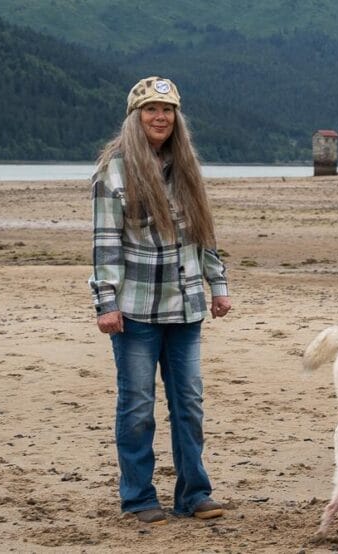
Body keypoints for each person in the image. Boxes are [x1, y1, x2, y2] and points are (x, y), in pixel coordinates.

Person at [89, 76, 231, 525]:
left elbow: (202, 234)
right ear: (135, 117)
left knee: (188, 404)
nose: (160, 117)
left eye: (167, 111)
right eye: (150, 110)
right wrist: (105, 302)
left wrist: (218, 284)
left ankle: (194, 494)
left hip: (186, 308)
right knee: (136, 408)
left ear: (177, 118)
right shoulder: (114, 171)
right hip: (136, 313)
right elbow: (106, 243)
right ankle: (138, 498)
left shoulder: (187, 167)